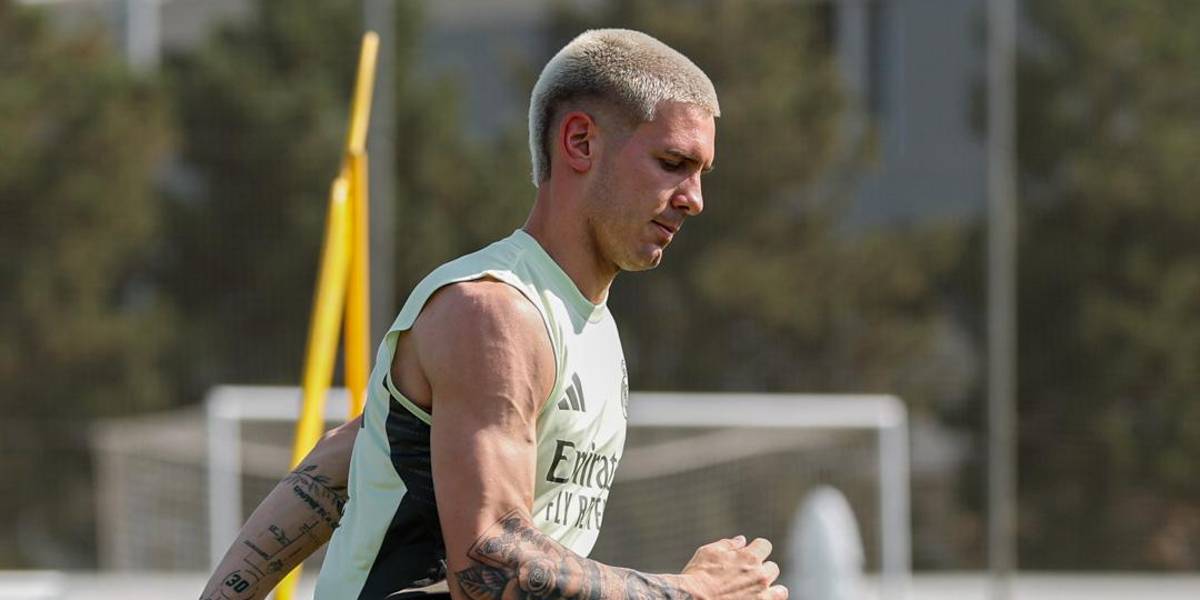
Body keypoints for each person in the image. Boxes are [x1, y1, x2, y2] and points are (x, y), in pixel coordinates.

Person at [201, 28, 788, 600]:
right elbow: (488, 560)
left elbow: (351, 453)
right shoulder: (494, 313)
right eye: (671, 162)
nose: (694, 199)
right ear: (580, 142)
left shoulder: (589, 324)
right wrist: (691, 592)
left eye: (700, 173)